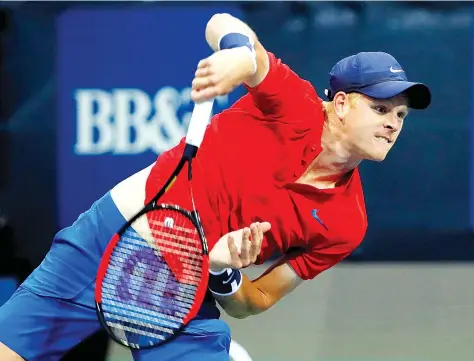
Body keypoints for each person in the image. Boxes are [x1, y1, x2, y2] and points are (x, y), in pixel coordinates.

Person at [0, 12, 431, 361]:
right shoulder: (293, 106)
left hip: (184, 289)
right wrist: (238, 56)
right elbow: (222, 23)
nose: (393, 123)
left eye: (401, 116)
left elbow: (255, 299)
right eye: (380, 108)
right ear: (340, 104)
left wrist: (223, 271)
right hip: (111, 239)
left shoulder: (345, 223)